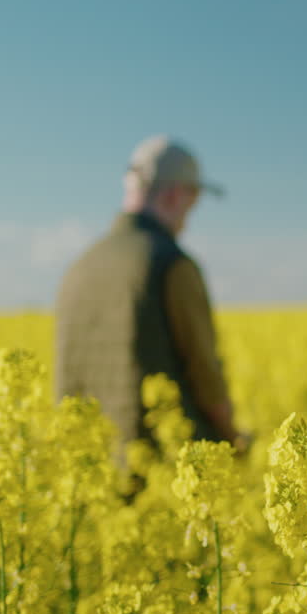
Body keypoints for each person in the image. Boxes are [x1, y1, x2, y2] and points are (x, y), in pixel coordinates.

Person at [55, 135, 249, 466]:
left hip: (90, 469)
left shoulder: (79, 267)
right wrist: (233, 437)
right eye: (193, 201)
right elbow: (205, 372)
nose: (190, 215)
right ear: (175, 195)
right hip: (166, 466)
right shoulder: (169, 264)